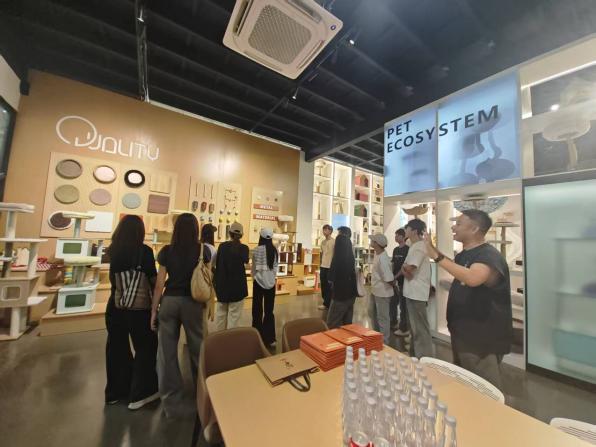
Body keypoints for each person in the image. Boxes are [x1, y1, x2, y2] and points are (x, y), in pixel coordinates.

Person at [424, 209, 512, 389]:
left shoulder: (489, 256)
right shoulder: (463, 255)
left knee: (483, 388)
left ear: (474, 229)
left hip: (480, 338)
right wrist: (434, 250)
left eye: (458, 224)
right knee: (465, 384)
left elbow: (473, 278)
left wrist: (436, 256)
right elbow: (461, 273)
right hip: (462, 333)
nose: (453, 227)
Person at [151, 213, 210, 418]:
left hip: (170, 302)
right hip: (193, 302)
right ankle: (202, 393)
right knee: (198, 348)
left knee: (166, 353)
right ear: (195, 229)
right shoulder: (203, 250)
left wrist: (154, 310)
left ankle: (171, 401)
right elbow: (206, 279)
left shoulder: (166, 251)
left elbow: (159, 284)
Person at [105, 215, 159, 410]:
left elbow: (113, 279)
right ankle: (141, 393)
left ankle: (115, 392)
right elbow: (152, 279)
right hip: (139, 309)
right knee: (146, 348)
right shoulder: (144, 251)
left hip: (115, 306)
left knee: (116, 349)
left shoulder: (113, 250)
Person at [402, 218, 434, 358]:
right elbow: (405, 269)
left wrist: (405, 268)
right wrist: (405, 268)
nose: (405, 230)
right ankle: (414, 355)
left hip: (417, 293)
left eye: (407, 228)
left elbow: (409, 268)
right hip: (412, 292)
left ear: (414, 231)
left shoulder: (420, 246)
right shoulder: (414, 246)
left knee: (420, 329)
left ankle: (424, 358)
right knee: (414, 328)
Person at [214, 222, 249, 330]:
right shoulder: (244, 248)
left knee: (220, 317)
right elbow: (246, 261)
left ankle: (220, 338)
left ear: (229, 233)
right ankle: (230, 339)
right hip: (237, 288)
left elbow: (217, 263)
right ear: (241, 235)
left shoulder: (222, 246)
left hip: (222, 287)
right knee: (234, 319)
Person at [251, 228, 279, 346]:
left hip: (258, 283)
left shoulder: (256, 250)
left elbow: (253, 268)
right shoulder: (275, 250)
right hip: (271, 283)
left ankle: (256, 336)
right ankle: (270, 339)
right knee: (269, 311)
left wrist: (255, 277)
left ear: (261, 237)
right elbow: (275, 268)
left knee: (257, 310)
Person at [367, 233, 395, 345]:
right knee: (373, 314)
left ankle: (384, 342)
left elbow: (388, 278)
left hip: (383, 292)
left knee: (383, 318)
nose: (371, 242)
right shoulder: (378, 254)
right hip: (376, 290)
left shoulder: (383, 258)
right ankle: (377, 338)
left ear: (377, 244)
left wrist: (394, 285)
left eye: (373, 241)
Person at [326, 232, 358, 328]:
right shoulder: (351, 258)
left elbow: (330, 279)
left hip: (340, 295)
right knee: (347, 322)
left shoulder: (337, 259)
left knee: (333, 322)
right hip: (351, 294)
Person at [392, 228, 410, 336]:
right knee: (396, 303)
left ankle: (404, 328)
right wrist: (392, 277)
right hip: (395, 282)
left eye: (397, 235)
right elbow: (394, 264)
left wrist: (396, 276)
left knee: (404, 305)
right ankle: (397, 323)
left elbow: (405, 267)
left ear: (403, 237)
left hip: (404, 281)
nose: (395, 237)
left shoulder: (408, 249)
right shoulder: (395, 250)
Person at [318, 224, 335, 310]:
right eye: (323, 229)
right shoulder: (322, 242)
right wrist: (320, 264)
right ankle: (325, 302)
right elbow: (322, 254)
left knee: (329, 286)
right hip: (323, 266)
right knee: (323, 284)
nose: (324, 231)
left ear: (330, 231)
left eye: (326, 229)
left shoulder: (334, 242)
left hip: (330, 267)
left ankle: (328, 304)